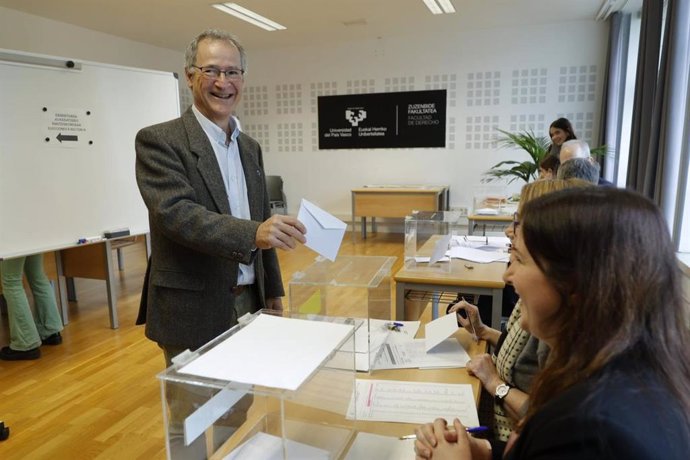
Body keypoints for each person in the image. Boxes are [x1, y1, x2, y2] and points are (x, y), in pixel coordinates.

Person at [414, 188, 690, 459]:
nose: (508, 276)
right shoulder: (630, 376)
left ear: (574, 284)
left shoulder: (586, 430)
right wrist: (484, 450)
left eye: (520, 259)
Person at [135, 29, 307, 366]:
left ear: (242, 79)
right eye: (210, 70)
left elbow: (262, 219)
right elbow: (176, 213)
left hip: (249, 300)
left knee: (239, 405)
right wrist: (252, 234)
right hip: (192, 306)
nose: (222, 82)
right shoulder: (159, 140)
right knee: (191, 411)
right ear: (189, 76)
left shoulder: (249, 147)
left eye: (232, 72)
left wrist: (271, 289)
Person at [447, 179, 591, 442]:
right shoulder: (541, 310)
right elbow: (517, 350)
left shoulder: (556, 325)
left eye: (518, 221)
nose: (508, 231)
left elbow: (549, 421)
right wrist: (484, 331)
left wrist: (494, 384)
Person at [0, 254, 63, 361]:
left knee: (12, 281)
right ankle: (49, 331)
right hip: (32, 237)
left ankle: (26, 343)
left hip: (10, 238)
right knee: (37, 276)